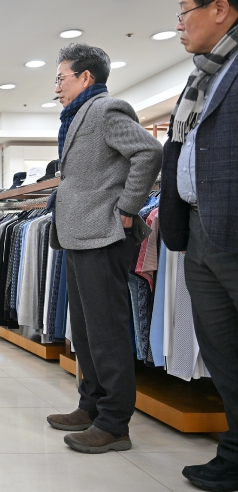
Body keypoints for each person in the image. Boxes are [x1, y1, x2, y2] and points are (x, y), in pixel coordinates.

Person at [45, 44, 162, 453]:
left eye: (61, 78)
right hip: (79, 234)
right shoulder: (78, 115)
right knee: (85, 330)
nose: (56, 87)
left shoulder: (107, 110)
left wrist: (128, 208)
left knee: (107, 331)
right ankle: (91, 405)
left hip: (103, 234)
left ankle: (114, 424)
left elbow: (149, 152)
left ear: (86, 77)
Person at [160, 1, 238, 490]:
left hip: (232, 225)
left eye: (184, 10)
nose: (178, 23)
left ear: (221, 8)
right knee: (222, 352)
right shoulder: (203, 76)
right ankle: (234, 453)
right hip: (199, 227)